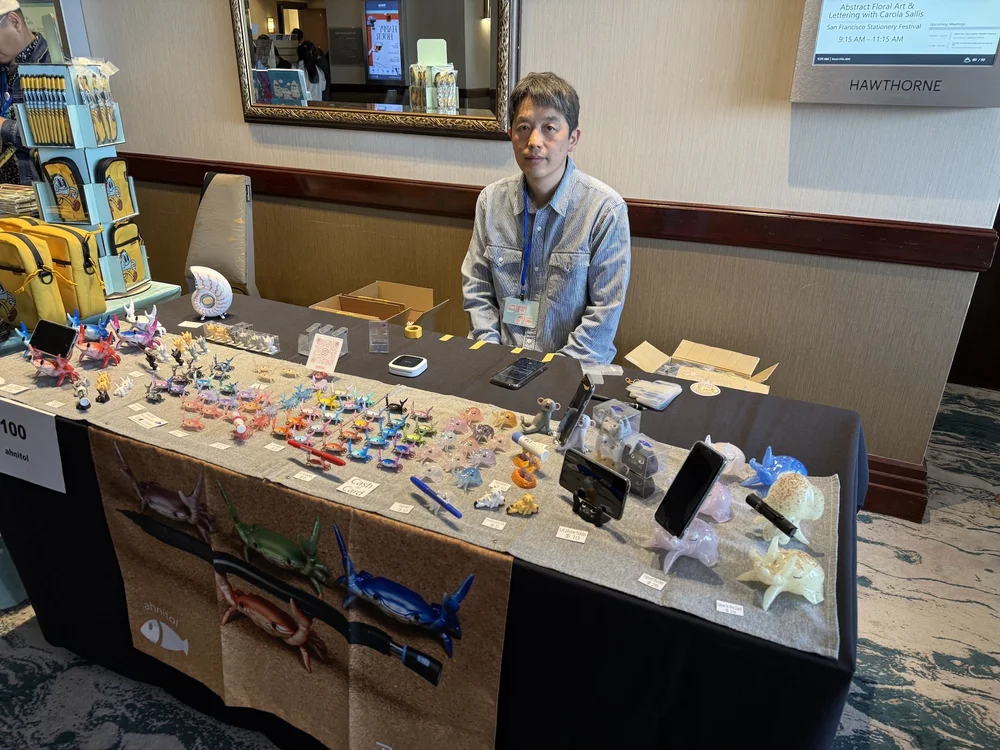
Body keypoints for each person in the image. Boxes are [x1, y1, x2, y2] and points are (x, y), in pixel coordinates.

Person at [461, 72, 631, 365]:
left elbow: (604, 314)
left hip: (572, 372)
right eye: (524, 127)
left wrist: (549, 375)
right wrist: (490, 358)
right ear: (511, 135)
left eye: (549, 128)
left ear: (573, 138)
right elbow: (478, 289)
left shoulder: (605, 210)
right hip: (499, 364)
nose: (534, 141)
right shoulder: (491, 201)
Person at [0, 1, 50, 185]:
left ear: (15, 22)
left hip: (37, 194)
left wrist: (4, 126)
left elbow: (57, 138)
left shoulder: (53, 68)